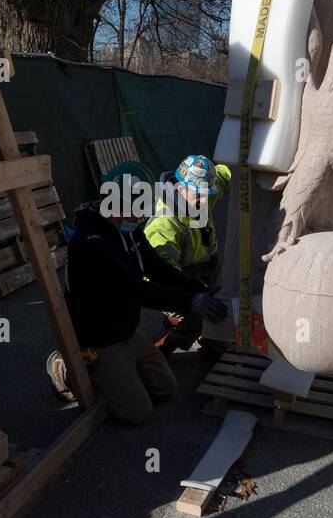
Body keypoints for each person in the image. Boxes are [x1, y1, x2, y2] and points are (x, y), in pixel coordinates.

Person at [46, 167, 228, 423]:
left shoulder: (127, 229)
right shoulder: (91, 243)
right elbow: (135, 289)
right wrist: (191, 302)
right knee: (138, 413)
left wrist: (200, 290)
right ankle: (65, 367)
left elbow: (158, 269)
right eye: (136, 208)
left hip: (126, 332)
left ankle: (121, 375)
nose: (141, 216)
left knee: (166, 389)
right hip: (99, 339)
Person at [144, 155, 232, 357]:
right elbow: (156, 273)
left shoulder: (202, 193)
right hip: (174, 281)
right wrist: (191, 299)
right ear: (180, 187)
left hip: (205, 271)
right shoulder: (166, 222)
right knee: (202, 312)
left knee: (226, 302)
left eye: (208, 194)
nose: (205, 201)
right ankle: (165, 346)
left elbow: (225, 174)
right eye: (199, 195)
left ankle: (209, 338)